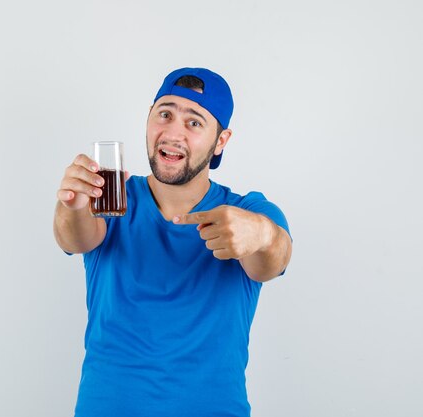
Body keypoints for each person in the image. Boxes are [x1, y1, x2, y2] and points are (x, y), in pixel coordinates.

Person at [53, 67, 293, 417]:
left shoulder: (247, 211)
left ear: (220, 141)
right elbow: (74, 237)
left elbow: (274, 259)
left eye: (194, 122)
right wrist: (72, 204)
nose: (173, 132)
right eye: (164, 114)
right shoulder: (111, 197)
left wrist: (262, 234)